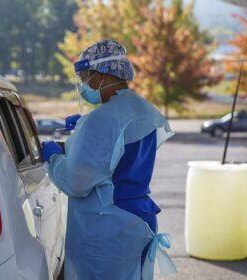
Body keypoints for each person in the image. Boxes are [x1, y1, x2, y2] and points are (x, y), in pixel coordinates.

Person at [42, 40, 177, 280]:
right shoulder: (143, 108)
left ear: (101, 74)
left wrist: (54, 158)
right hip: (137, 217)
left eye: (86, 76)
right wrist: (83, 130)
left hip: (108, 226)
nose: (84, 84)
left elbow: (77, 181)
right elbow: (119, 152)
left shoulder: (100, 119)